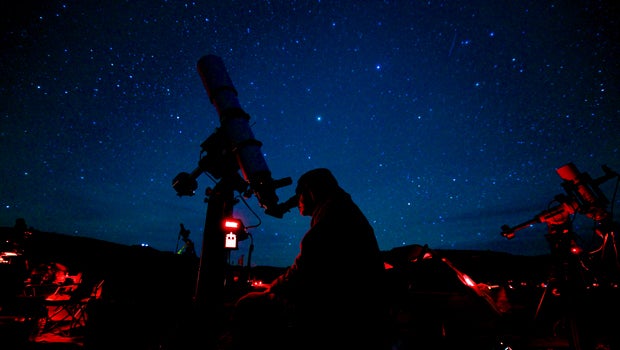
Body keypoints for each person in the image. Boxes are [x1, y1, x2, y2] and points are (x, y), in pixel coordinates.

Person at [231, 168, 389, 349]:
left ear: (312, 192)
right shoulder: (341, 207)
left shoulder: (332, 214)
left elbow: (305, 267)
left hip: (349, 307)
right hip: (358, 299)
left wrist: (272, 289)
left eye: (300, 195)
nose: (297, 202)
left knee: (247, 305)